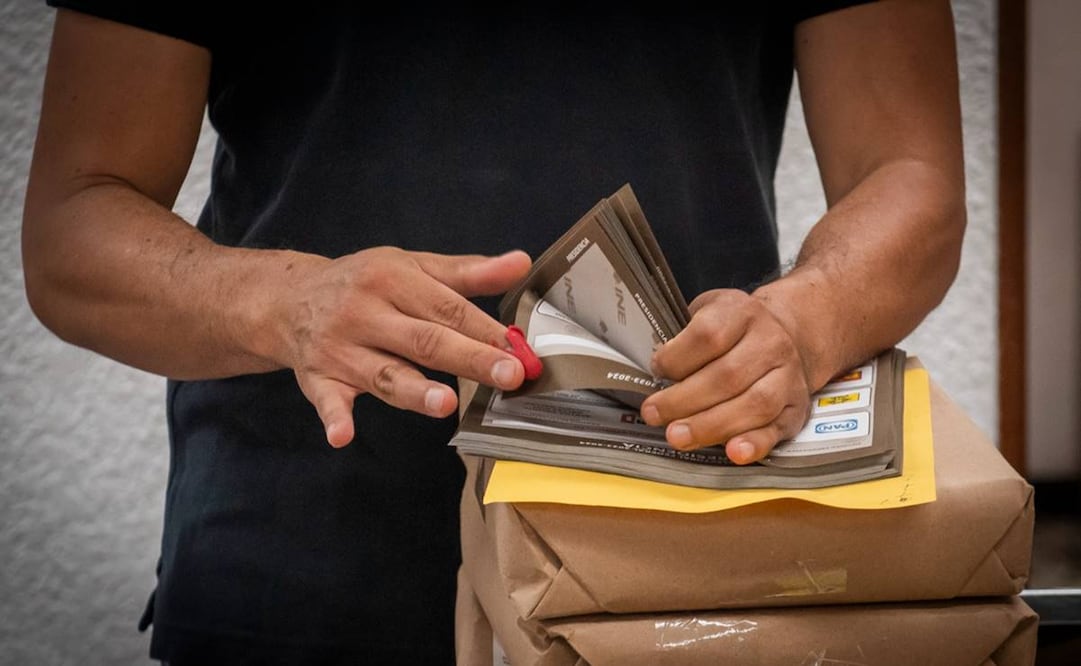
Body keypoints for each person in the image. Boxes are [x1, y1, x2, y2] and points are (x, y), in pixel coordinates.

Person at [22, 1, 966, 663]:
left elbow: (910, 174)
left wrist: (799, 325)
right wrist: (289, 302)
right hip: (293, 574)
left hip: (685, 578)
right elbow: (73, 231)